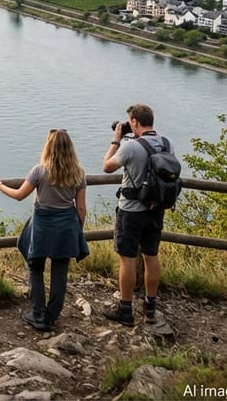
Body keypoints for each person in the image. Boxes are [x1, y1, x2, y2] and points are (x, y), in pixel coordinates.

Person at [0, 129, 88, 332]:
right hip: (66, 225)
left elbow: (18, 195)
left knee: (35, 267)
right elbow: (81, 208)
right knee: (60, 272)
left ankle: (38, 314)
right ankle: (52, 317)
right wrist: (77, 230)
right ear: (70, 149)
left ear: (48, 147)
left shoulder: (39, 171)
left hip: (43, 225)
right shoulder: (79, 173)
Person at [102, 103, 169, 326]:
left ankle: (125, 309)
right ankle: (150, 308)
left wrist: (116, 139)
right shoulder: (166, 143)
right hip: (156, 209)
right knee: (151, 257)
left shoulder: (131, 147)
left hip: (131, 210)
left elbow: (107, 167)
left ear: (134, 122)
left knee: (127, 259)